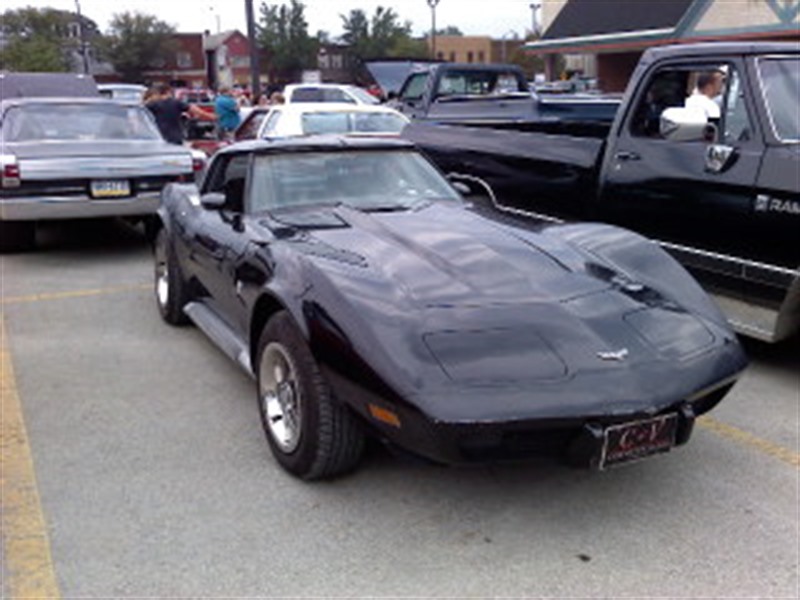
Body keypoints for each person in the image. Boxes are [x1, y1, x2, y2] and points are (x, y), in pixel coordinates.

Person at [145, 83, 214, 145]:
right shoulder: (176, 103)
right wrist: (210, 116)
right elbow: (193, 109)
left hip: (158, 136)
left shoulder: (152, 105)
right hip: (175, 137)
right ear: (168, 91)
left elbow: (142, 110)